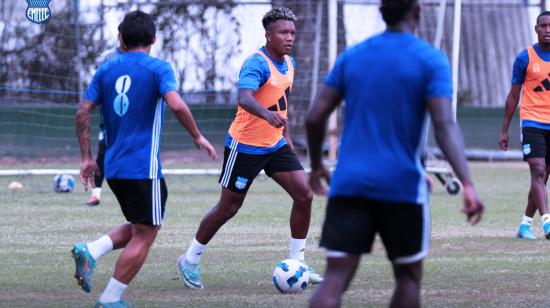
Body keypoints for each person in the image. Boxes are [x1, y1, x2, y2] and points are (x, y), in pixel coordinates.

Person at [306, 1, 484, 307]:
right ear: (416, 11)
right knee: (407, 278)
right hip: (401, 187)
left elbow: (314, 117)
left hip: (349, 185)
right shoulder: (430, 60)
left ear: (381, 12)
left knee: (335, 278)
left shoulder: (353, 57)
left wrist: (316, 165)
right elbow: (444, 124)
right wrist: (467, 182)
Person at [72, 10, 216, 307]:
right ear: (153, 39)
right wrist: (197, 135)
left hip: (113, 168)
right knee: (146, 234)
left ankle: (91, 250)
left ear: (120, 39)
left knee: (142, 225)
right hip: (142, 169)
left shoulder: (106, 70)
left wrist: (87, 158)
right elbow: (175, 103)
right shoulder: (159, 68)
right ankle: (110, 299)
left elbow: (82, 112)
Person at [177, 7, 322, 290]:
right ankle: (190, 259)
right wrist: (267, 116)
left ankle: (298, 263)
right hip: (245, 146)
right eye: (283, 32)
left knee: (304, 196)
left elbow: (282, 103)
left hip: (275, 144)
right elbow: (244, 98)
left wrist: (286, 136)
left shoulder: (289, 64)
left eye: (292, 32)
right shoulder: (256, 63)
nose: (289, 37)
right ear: (268, 35)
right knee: (228, 207)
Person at [500, 11, 550, 240]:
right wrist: (504, 130)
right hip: (532, 122)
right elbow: (513, 96)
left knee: (543, 175)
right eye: (543, 25)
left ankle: (524, 225)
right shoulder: (524, 58)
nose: (548, 29)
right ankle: (548, 224)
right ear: (536, 29)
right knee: (538, 170)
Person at [85, 32, 125, 207]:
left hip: (134, 117)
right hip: (109, 117)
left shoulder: (143, 57)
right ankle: (96, 194)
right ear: (119, 36)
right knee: (103, 153)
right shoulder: (108, 58)